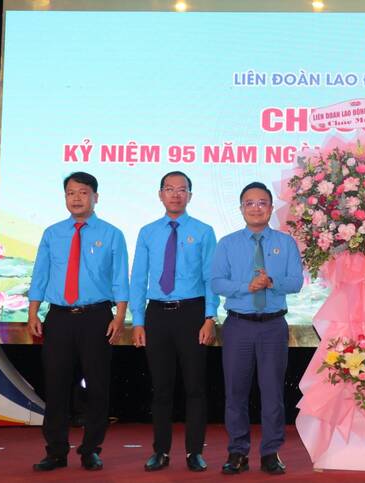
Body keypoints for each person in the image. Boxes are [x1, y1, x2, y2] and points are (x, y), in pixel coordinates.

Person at [27, 171, 129, 472]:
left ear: (95, 197)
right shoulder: (52, 233)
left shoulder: (112, 234)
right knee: (56, 385)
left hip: (96, 317)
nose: (76, 198)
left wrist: (120, 316)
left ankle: (90, 450)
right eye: (71, 192)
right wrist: (33, 312)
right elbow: (40, 275)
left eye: (83, 192)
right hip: (58, 318)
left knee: (97, 387)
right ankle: (56, 451)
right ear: (65, 197)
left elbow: (120, 277)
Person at [211, 182, 303, 476]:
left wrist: (271, 281)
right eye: (249, 203)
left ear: (270, 208)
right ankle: (237, 452)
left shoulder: (286, 242)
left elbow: (296, 282)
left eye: (262, 203)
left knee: (273, 392)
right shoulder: (226, 243)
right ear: (241, 208)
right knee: (235, 393)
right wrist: (245, 287)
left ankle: (270, 452)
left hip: (273, 326)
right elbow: (216, 282)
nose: (255, 208)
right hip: (238, 326)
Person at [129, 171, 219, 472]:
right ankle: (161, 452)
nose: (175, 194)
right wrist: (138, 321)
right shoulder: (147, 232)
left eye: (182, 190)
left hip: (192, 313)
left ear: (190, 196)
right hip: (157, 314)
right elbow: (138, 278)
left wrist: (209, 317)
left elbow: (210, 278)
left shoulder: (204, 232)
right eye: (169, 189)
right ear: (160, 194)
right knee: (161, 387)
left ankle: (195, 452)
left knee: (195, 387)